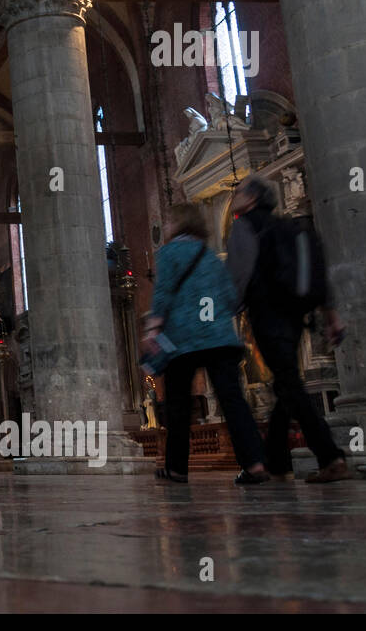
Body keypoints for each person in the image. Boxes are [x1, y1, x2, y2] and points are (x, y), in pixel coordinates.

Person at [226, 174, 349, 483]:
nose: (235, 196)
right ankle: (277, 462)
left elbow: (238, 274)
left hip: (267, 314)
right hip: (296, 314)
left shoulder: (244, 225)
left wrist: (225, 310)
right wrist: (332, 315)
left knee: (289, 382)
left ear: (251, 199)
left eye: (238, 191)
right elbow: (319, 274)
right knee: (285, 383)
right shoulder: (292, 227)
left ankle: (330, 456)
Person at [143, 204, 268, 485]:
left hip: (183, 339)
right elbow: (231, 296)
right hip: (220, 337)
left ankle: (177, 469)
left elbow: (162, 293)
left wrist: (153, 327)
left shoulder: (170, 252)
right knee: (233, 402)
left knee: (177, 405)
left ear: (177, 223)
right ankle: (255, 464)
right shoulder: (211, 257)